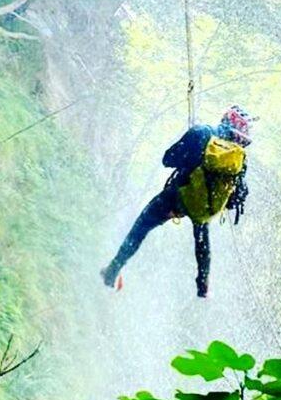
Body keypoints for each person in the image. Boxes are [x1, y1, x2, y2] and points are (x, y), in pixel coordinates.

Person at [101, 105, 254, 298]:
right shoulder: (238, 160)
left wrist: (190, 153)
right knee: (202, 238)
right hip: (203, 209)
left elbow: (167, 160)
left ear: (224, 119)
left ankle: (113, 269)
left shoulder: (201, 132)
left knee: (141, 227)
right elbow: (235, 200)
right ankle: (203, 285)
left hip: (175, 197)